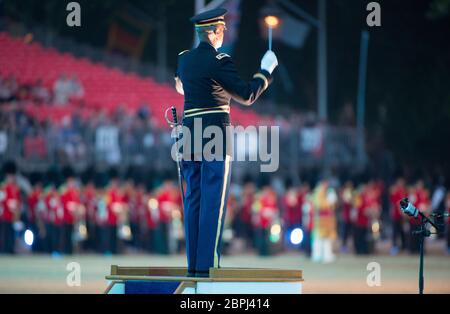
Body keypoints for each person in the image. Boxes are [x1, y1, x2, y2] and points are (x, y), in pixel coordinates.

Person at [174, 8, 278, 277]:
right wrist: (265, 72)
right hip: (215, 138)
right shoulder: (220, 61)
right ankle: (208, 267)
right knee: (213, 203)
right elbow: (246, 95)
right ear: (214, 32)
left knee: (193, 201)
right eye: (222, 30)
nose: (224, 34)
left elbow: (180, 86)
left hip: (189, 136)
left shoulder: (184, 60)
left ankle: (194, 267)